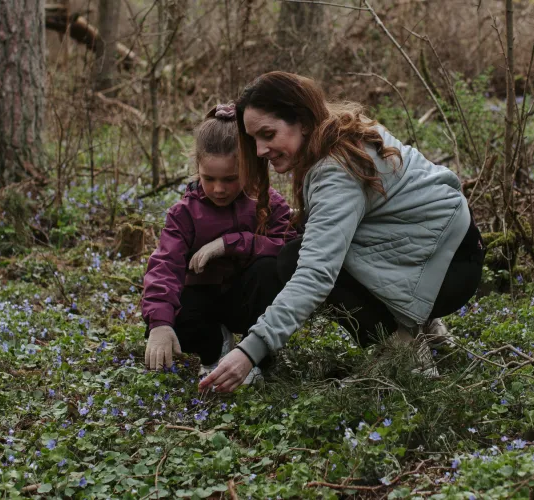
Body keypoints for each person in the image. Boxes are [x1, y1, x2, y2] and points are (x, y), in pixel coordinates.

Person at [199, 72, 485, 393]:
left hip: (447, 270)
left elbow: (315, 274)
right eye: (253, 139)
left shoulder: (334, 170)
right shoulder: (343, 132)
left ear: (303, 121)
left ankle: (401, 348)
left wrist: (249, 351)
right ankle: (424, 327)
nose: (261, 149)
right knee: (306, 239)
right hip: (455, 250)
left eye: (268, 134)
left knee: (295, 259)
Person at [142, 103, 297, 376]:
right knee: (169, 317)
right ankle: (216, 349)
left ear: (248, 168)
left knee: (270, 267)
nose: (219, 189)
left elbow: (288, 245)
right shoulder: (184, 214)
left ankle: (257, 357)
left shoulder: (266, 202)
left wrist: (230, 243)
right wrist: (159, 324)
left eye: (230, 179)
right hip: (204, 300)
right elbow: (165, 266)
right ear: (197, 168)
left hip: (247, 301)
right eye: (209, 178)